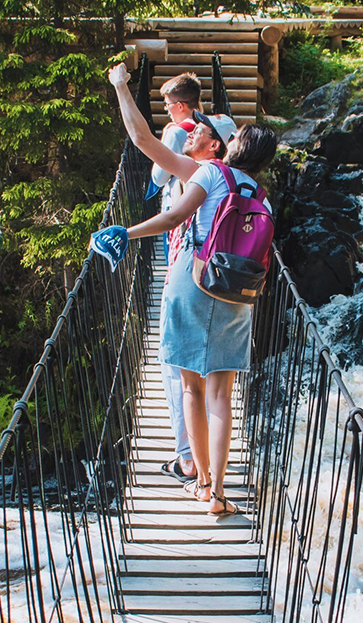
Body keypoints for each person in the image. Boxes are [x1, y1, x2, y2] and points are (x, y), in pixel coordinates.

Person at [101, 62, 278, 516]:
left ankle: (199, 481)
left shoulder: (209, 173)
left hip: (192, 279)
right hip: (238, 291)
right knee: (221, 392)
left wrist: (121, 86)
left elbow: (146, 151)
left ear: (229, 147)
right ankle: (218, 494)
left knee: (190, 390)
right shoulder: (259, 194)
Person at [149, 72, 201, 485]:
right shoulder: (218, 127)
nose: (166, 110)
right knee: (209, 374)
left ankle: (186, 459)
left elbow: (157, 179)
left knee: (172, 362)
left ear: (179, 104)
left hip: (182, 244)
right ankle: (204, 463)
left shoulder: (176, 132)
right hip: (215, 255)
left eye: (168, 104)